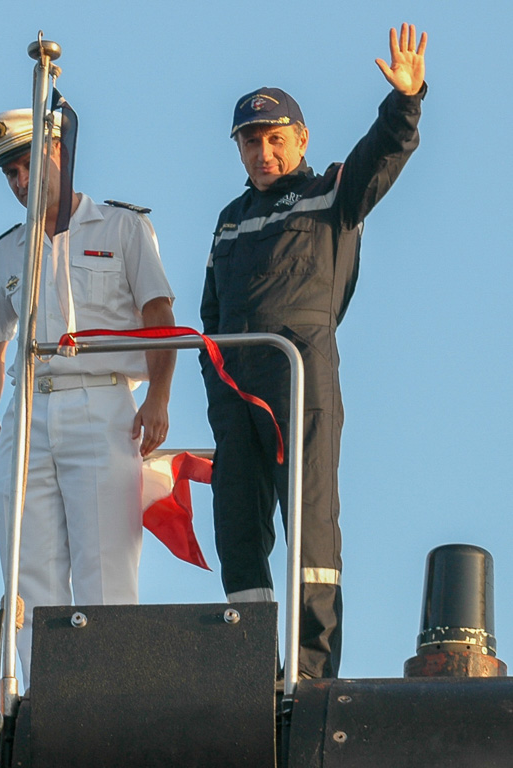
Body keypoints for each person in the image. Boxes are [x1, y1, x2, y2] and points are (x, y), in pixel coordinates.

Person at [200, 24, 427, 679]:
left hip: (298, 375)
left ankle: (310, 672)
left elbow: (381, 155)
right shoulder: (230, 218)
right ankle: (251, 669)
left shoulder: (330, 192)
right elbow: (210, 309)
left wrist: (405, 103)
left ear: (299, 139)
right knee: (237, 530)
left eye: (275, 138)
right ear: (239, 148)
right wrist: (214, 380)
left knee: (310, 526)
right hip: (232, 386)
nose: (264, 150)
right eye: (251, 140)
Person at [0, 107, 176, 688]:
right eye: (8, 173)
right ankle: (43, 699)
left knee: (105, 567)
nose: (18, 182)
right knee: (27, 568)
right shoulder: (8, 251)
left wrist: (158, 395)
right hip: (28, 410)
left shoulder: (122, 227)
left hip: (103, 401)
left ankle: (108, 699)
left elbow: (159, 316)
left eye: (25, 165)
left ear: (58, 151)